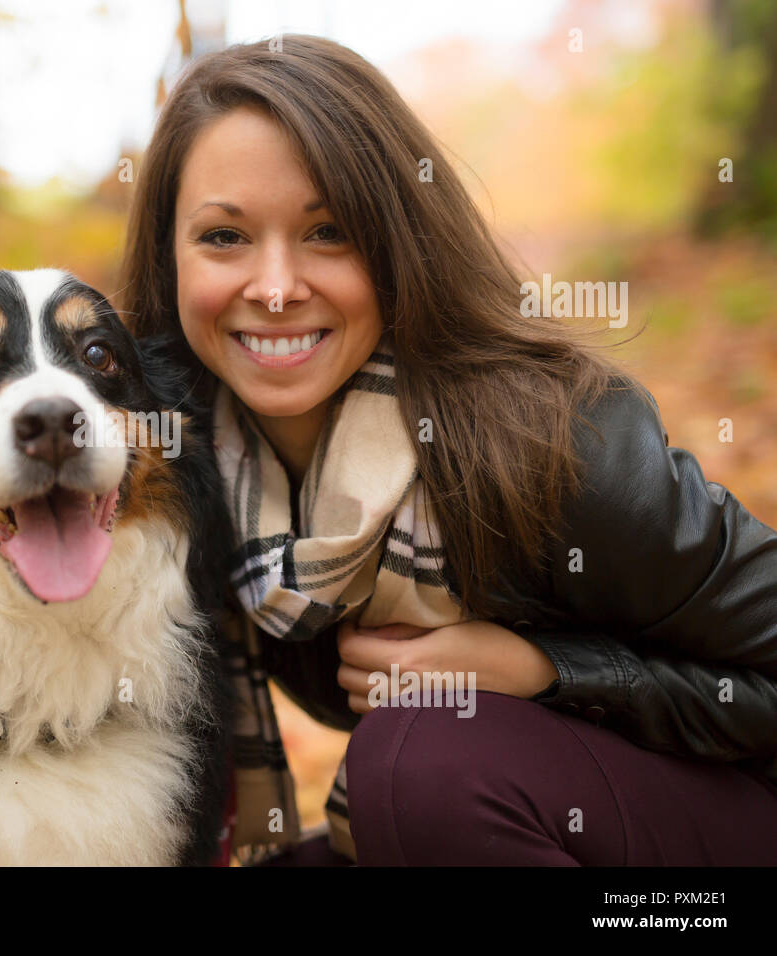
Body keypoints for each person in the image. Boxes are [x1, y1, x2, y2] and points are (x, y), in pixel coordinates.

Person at [117, 34, 777, 865]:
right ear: (168, 259)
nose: (276, 287)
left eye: (328, 232)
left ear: (395, 246)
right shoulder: (186, 475)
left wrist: (545, 670)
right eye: (224, 238)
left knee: (418, 765)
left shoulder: (559, 452)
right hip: (522, 813)